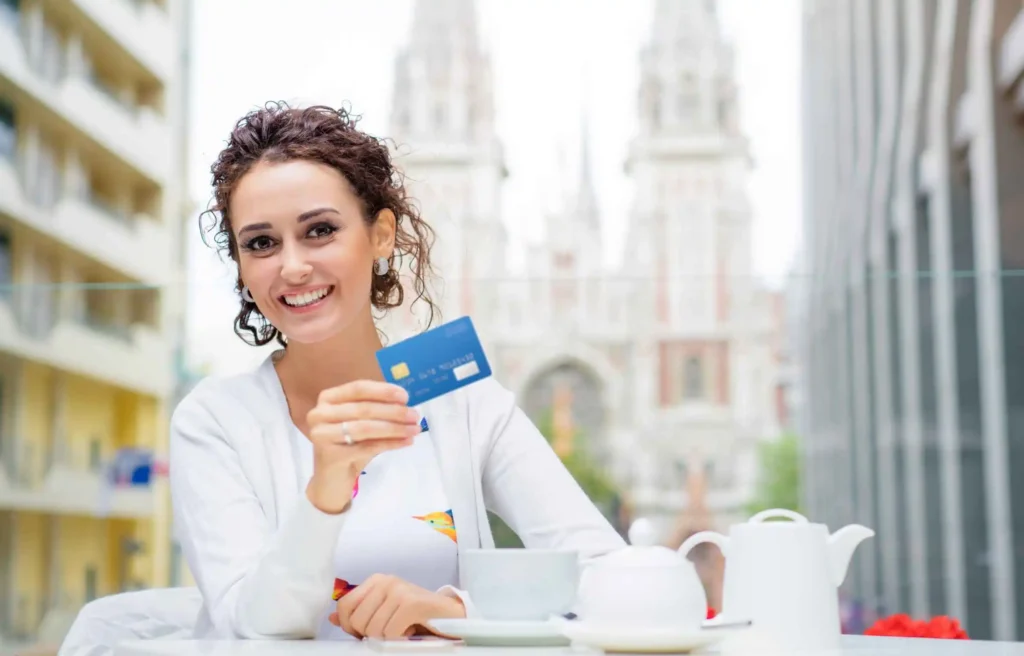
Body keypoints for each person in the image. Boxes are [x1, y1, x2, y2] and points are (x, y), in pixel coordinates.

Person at [169, 102, 626, 642]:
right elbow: (250, 626)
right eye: (261, 243)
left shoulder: (457, 394)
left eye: (319, 230)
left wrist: (459, 614)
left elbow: (613, 579)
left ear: (381, 235)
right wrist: (328, 487)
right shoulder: (216, 419)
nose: (292, 266)